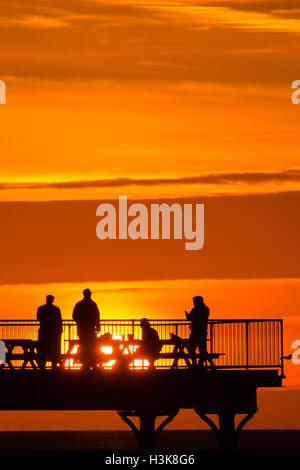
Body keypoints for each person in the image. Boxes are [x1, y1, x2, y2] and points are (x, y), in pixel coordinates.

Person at [72, 288, 100, 369]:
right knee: (91, 346)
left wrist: (80, 322)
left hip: (83, 329)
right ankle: (90, 362)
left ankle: (85, 362)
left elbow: (74, 316)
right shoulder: (93, 304)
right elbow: (97, 316)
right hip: (89, 329)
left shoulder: (79, 304)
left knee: (85, 346)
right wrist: (97, 325)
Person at [37, 295, 63, 369]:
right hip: (53, 333)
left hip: (44, 332)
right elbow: (59, 320)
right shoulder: (56, 309)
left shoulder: (41, 308)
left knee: (43, 348)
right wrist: (60, 330)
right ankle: (54, 364)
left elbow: (38, 318)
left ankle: (42, 364)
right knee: (54, 348)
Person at [185, 296, 210, 368]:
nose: (194, 303)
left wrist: (187, 315)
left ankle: (195, 364)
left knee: (192, 348)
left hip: (196, 331)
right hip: (202, 331)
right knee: (201, 349)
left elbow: (189, 318)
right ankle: (199, 364)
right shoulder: (206, 309)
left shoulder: (196, 309)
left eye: (194, 302)